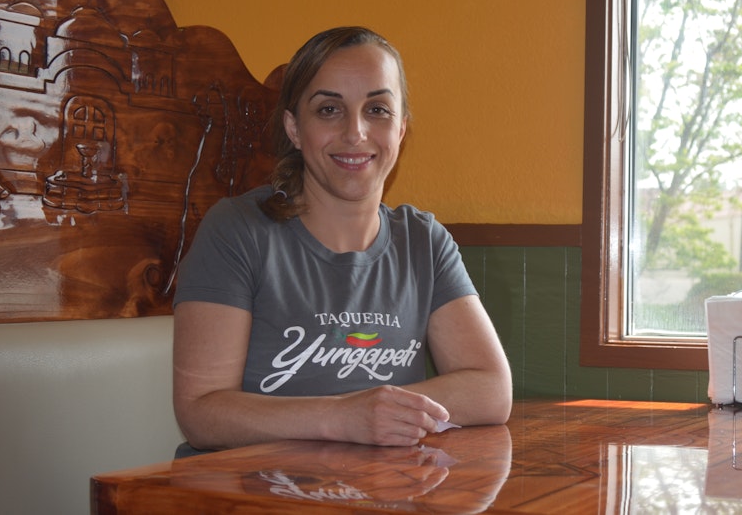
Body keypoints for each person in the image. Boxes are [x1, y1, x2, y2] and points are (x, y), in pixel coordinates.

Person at [172, 26, 512, 453]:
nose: (355, 133)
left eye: (377, 110)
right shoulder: (236, 230)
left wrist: (385, 413)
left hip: (385, 493)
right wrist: (343, 416)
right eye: (329, 109)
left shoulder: (425, 242)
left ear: (401, 129)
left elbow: (492, 390)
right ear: (294, 128)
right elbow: (200, 413)